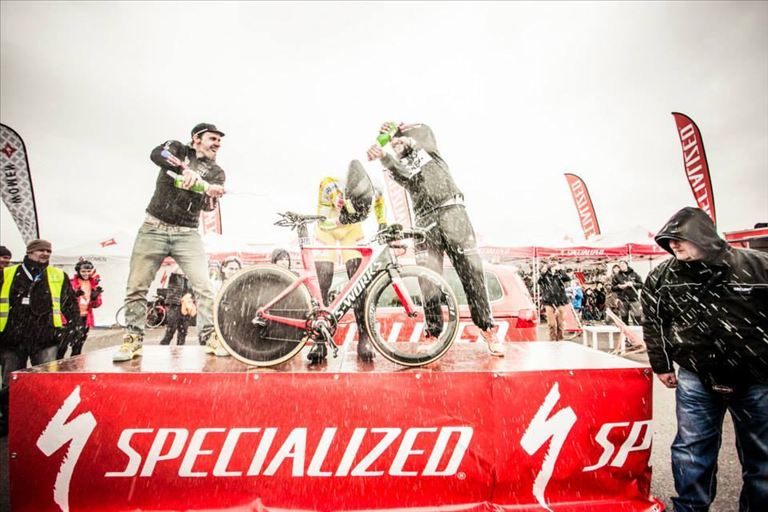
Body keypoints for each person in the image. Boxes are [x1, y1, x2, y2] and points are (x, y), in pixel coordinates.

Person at [641, 207, 768, 512]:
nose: (673, 244)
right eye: (668, 240)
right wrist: (661, 364)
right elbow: (653, 321)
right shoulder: (663, 275)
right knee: (691, 451)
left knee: (762, 456)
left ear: (703, 236)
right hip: (696, 376)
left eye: (679, 238)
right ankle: (690, 508)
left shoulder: (757, 266)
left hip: (756, 377)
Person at [367, 122, 504, 356]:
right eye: (393, 142)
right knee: (427, 279)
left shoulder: (429, 152)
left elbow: (424, 137)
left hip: (453, 212)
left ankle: (487, 327)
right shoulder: (401, 167)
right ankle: (432, 332)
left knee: (471, 272)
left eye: (400, 140)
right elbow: (400, 171)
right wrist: (383, 156)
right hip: (425, 220)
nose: (396, 144)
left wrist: (400, 133)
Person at [114, 122, 228, 361]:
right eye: (212, 138)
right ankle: (133, 339)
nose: (217, 144)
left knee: (204, 287)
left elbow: (208, 207)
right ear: (196, 138)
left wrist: (212, 194)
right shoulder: (177, 148)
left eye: (219, 140)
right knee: (137, 286)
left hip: (187, 233)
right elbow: (157, 154)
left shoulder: (217, 171)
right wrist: (185, 170)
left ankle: (210, 337)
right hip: (153, 228)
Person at [0, 239, 80, 436]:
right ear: (29, 252)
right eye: (41, 250)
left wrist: (73, 329)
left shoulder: (57, 275)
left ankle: (44, 421)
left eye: (48, 251)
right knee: (11, 384)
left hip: (45, 338)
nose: (45, 254)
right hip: (12, 339)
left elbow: (70, 304)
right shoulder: (8, 273)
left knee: (46, 383)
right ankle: (8, 421)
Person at [307, 171, 386, 363]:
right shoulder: (328, 185)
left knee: (359, 283)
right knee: (323, 281)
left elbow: (379, 204)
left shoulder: (374, 187)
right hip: (327, 226)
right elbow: (323, 224)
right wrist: (340, 214)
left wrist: (382, 223)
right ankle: (319, 340)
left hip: (351, 229)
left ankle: (364, 337)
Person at [57, 258, 103, 358]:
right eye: (83, 271)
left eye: (88, 271)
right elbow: (62, 301)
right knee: (62, 346)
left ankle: (75, 365)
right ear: (78, 271)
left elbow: (97, 305)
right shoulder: (71, 282)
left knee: (78, 346)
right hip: (70, 317)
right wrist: (73, 296)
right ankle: (59, 365)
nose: (86, 274)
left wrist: (94, 298)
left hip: (84, 319)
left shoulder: (93, 285)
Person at [159, 269, 194, 346]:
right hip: (174, 303)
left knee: (183, 331)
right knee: (171, 330)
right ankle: (162, 348)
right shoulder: (175, 272)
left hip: (184, 304)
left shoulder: (191, 277)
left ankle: (180, 349)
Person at [537, 261, 570, 341]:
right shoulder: (545, 274)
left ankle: (560, 340)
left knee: (560, 324)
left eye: (554, 262)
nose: (552, 264)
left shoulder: (559, 274)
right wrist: (543, 273)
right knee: (551, 324)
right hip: (549, 301)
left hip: (560, 300)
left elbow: (568, 279)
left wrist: (560, 270)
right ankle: (552, 340)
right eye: (551, 262)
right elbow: (539, 282)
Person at [612, 260, 643, 325]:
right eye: (620, 265)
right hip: (622, 300)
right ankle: (625, 331)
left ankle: (637, 330)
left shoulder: (634, 274)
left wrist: (633, 284)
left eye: (623, 264)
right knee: (624, 319)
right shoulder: (616, 276)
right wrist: (619, 287)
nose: (622, 266)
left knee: (637, 318)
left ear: (627, 265)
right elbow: (613, 288)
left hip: (634, 299)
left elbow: (641, 285)